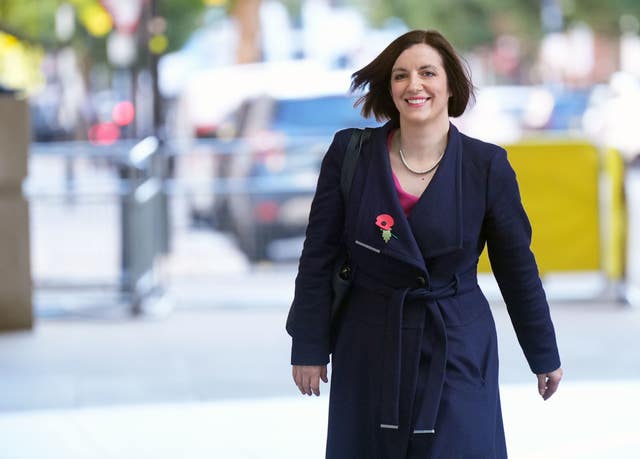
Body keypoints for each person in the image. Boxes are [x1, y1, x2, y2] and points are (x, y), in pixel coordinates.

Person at [286, 29, 562, 458]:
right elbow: (318, 255)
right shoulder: (350, 155)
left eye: (427, 73)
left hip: (457, 346)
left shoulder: (486, 165)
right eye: (401, 76)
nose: (414, 85)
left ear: (450, 84)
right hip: (369, 343)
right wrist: (308, 345)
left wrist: (543, 353)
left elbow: (517, 268)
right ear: (389, 88)